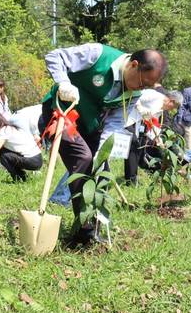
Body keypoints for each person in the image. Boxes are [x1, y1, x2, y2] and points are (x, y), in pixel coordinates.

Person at [42, 43, 167, 241]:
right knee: (83, 159)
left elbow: (114, 123)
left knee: (101, 171)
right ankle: (83, 228)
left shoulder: (134, 94)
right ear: (134, 65)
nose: (142, 89)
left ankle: (92, 227)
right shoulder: (98, 55)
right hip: (61, 113)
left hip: (90, 126)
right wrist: (64, 83)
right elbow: (54, 56)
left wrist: (102, 153)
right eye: (143, 83)